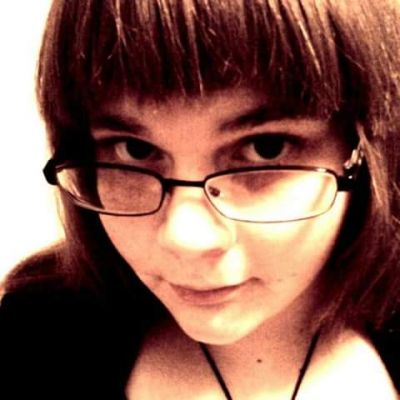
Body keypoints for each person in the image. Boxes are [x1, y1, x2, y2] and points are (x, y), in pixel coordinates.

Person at [1, 0, 399, 398]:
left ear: (363, 152)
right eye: (135, 150)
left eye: (266, 148)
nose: (186, 239)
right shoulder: (34, 338)